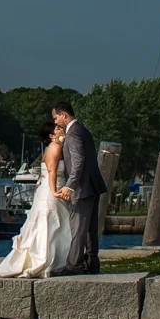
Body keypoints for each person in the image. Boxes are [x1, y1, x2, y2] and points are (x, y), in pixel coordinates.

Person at [0, 120, 76, 278]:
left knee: (53, 223)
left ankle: (57, 259)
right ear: (52, 135)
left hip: (48, 189)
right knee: (51, 223)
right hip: (51, 190)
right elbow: (51, 172)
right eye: (58, 129)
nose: (62, 129)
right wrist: (55, 191)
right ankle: (48, 260)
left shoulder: (55, 147)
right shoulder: (55, 147)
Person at [52, 101, 106, 275]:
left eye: (56, 117)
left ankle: (74, 266)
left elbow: (78, 162)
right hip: (93, 185)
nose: (55, 122)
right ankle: (92, 263)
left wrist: (70, 186)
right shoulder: (82, 130)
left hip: (82, 188)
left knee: (78, 229)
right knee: (90, 229)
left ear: (64, 115)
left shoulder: (74, 133)